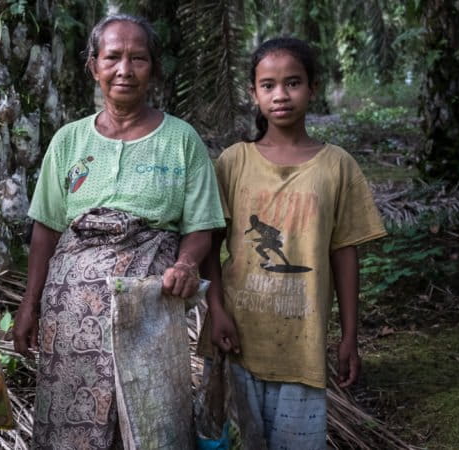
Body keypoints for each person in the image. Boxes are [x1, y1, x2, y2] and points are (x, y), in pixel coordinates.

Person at [11, 14, 227, 449]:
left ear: (154, 67)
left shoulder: (181, 140)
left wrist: (186, 262)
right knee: (72, 421)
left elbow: (202, 224)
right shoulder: (68, 141)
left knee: (146, 421)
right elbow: (46, 230)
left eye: (138, 58)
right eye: (112, 57)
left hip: (148, 310)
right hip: (69, 319)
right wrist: (29, 305)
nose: (124, 70)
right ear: (93, 66)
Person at [201, 37, 388, 449]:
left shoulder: (337, 165)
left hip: (302, 346)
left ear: (312, 88)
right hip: (235, 340)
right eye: (267, 85)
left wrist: (349, 336)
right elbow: (208, 246)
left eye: (293, 83)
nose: (280, 95)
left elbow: (344, 252)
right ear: (253, 93)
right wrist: (215, 311)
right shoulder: (234, 161)